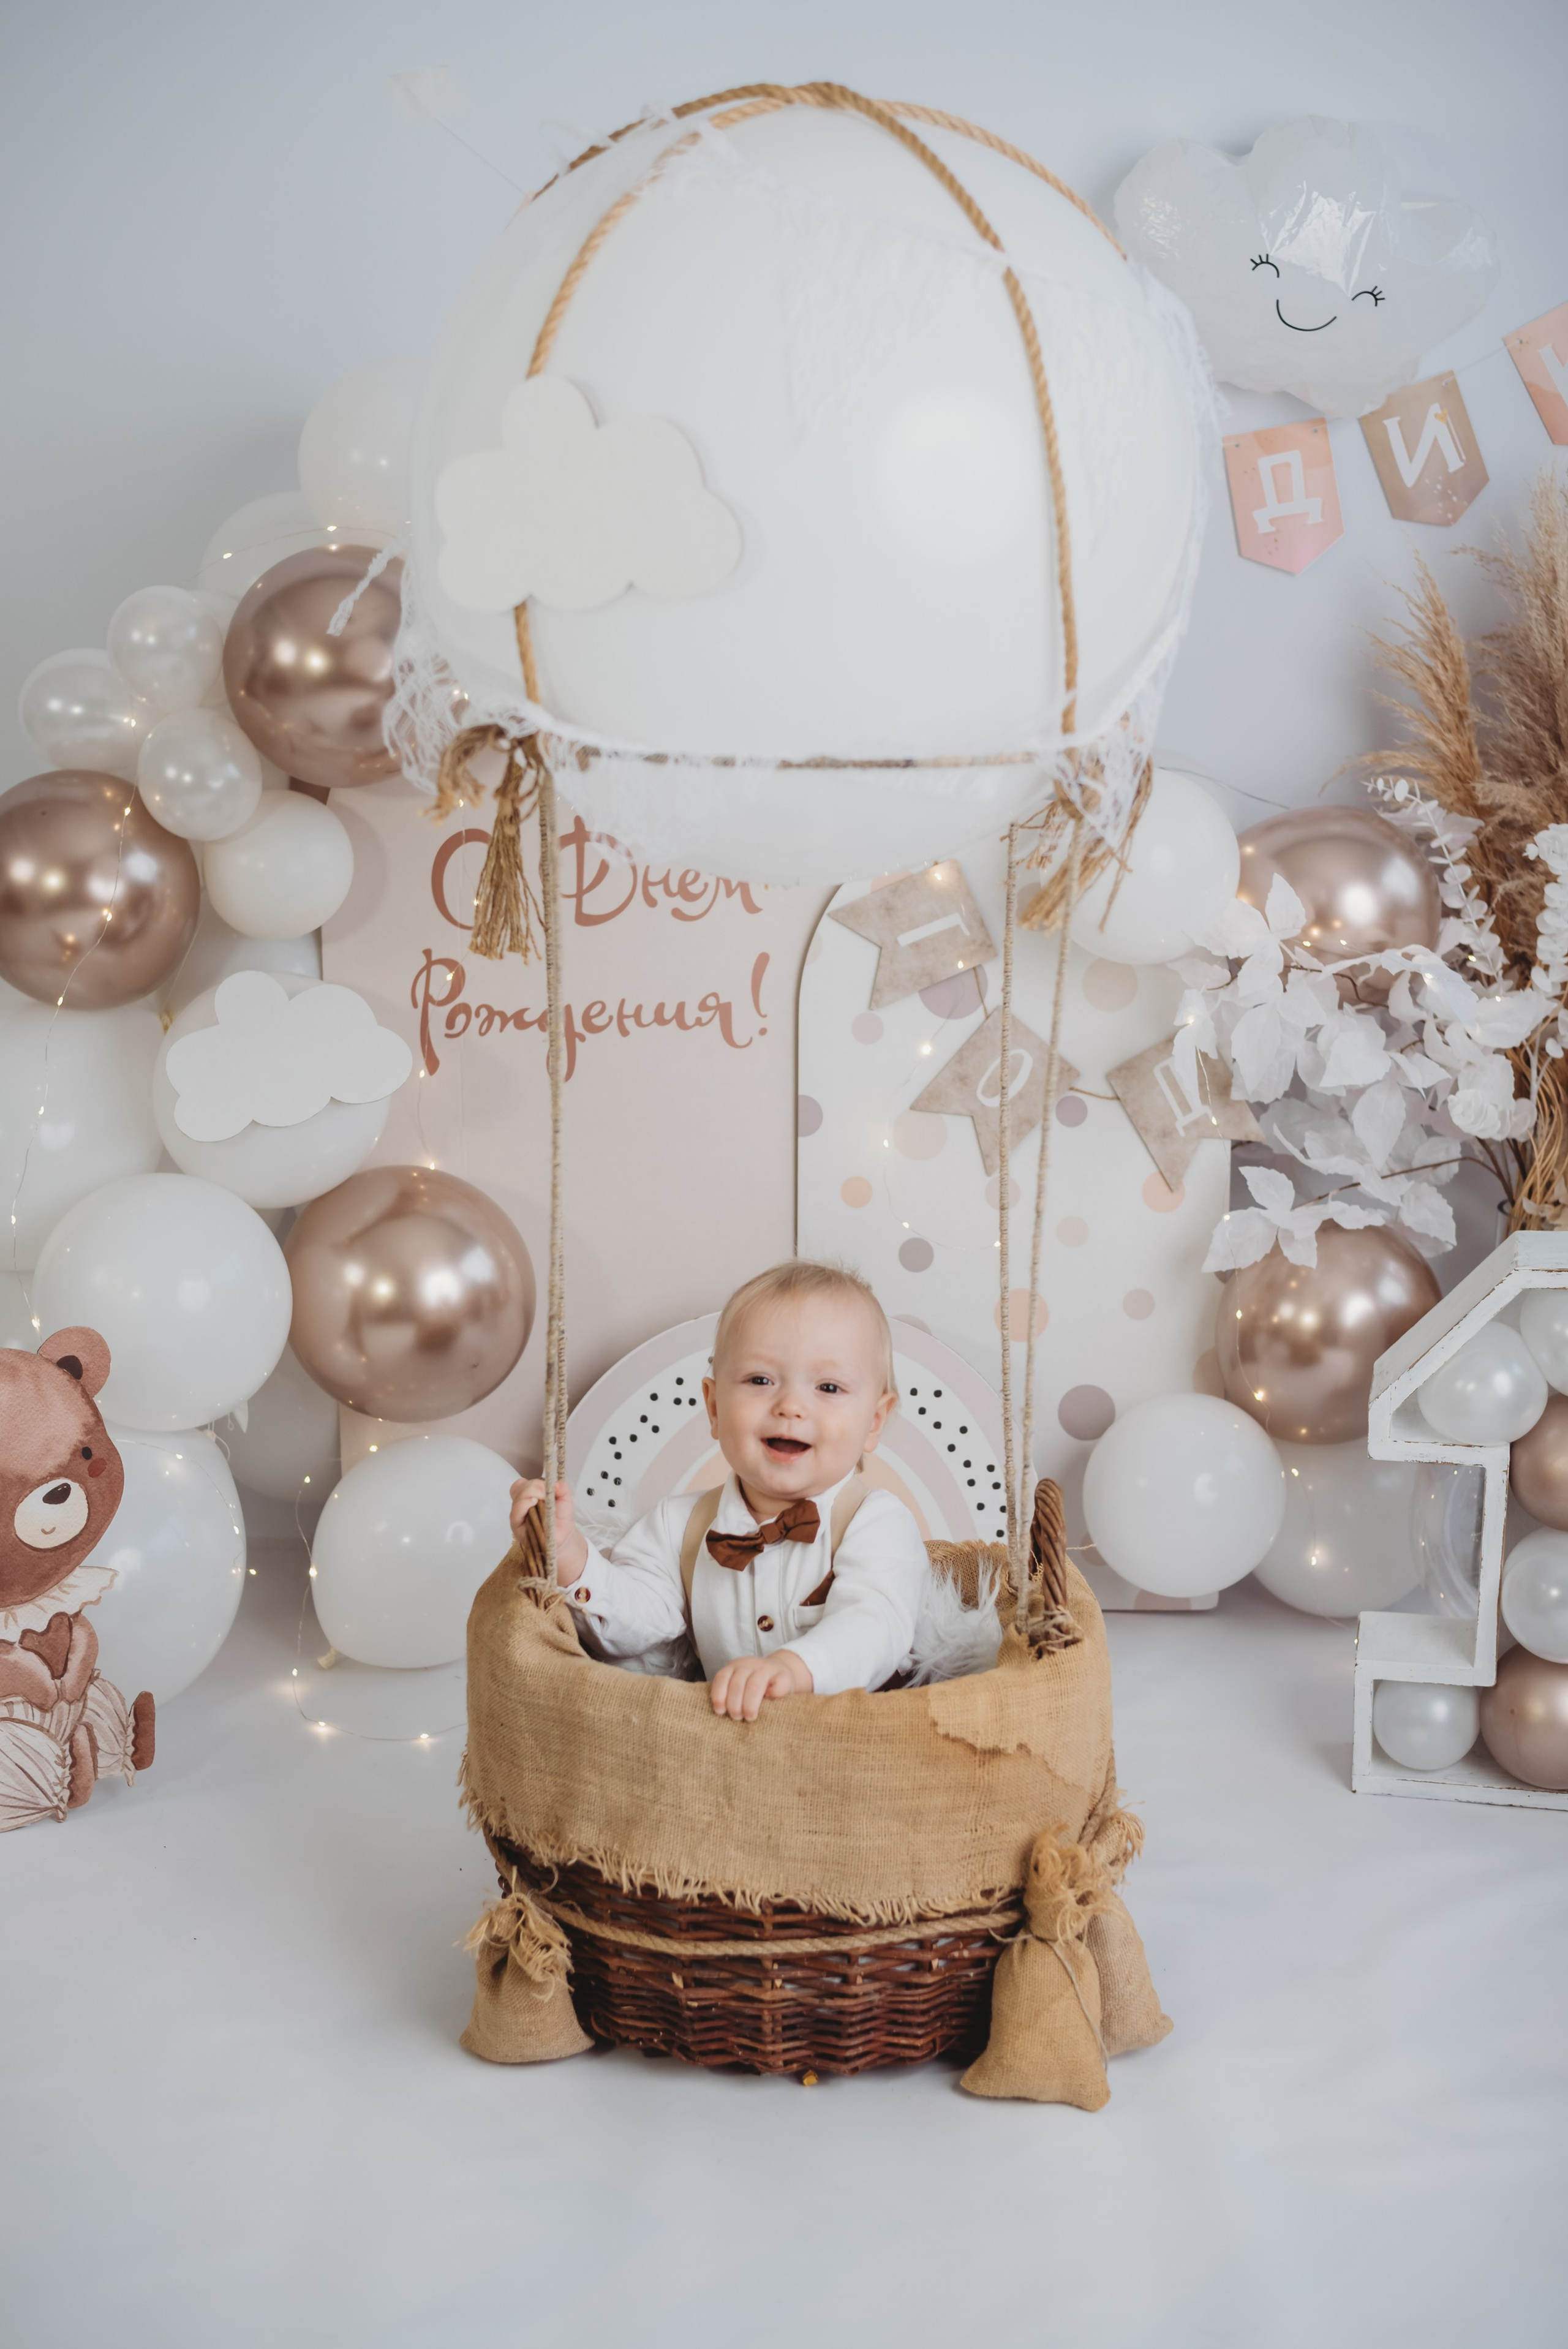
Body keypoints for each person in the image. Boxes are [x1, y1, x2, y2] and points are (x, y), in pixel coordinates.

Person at [508, 1261, 930, 1720]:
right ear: (713, 1406)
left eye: (828, 1386)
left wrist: (793, 1668)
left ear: (874, 1422)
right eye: (760, 1380)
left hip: (853, 1752)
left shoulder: (877, 1522)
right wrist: (569, 1553)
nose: (790, 1405)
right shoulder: (678, 1526)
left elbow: (876, 1624)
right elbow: (637, 1627)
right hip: (727, 1766)